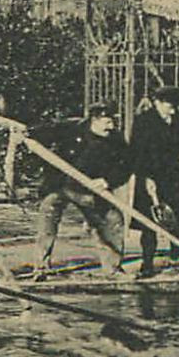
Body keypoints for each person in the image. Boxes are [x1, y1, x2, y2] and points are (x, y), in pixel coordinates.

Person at [30, 103, 132, 279]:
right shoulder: (72, 129)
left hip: (91, 190)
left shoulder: (115, 139)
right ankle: (40, 267)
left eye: (113, 121)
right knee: (47, 219)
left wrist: (107, 181)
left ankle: (113, 269)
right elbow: (44, 131)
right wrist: (26, 132)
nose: (112, 126)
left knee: (112, 220)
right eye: (108, 122)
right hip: (61, 185)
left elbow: (126, 165)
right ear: (95, 120)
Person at [129, 85, 179, 276]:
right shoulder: (144, 121)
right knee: (149, 221)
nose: (172, 109)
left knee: (178, 218)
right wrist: (146, 177)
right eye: (168, 104)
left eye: (175, 104)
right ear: (156, 102)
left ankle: (177, 258)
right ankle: (148, 262)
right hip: (151, 177)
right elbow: (137, 152)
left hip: (175, 176)